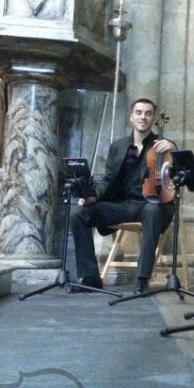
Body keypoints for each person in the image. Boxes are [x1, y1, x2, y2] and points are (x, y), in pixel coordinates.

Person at [71, 98, 176, 294]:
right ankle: (91, 277)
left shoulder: (163, 146)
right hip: (121, 205)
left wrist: (172, 148)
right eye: (138, 112)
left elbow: (174, 174)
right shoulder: (118, 147)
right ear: (131, 117)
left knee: (152, 210)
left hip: (149, 205)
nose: (143, 117)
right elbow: (108, 180)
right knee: (79, 214)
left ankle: (143, 280)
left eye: (148, 113)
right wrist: (93, 197)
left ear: (154, 118)